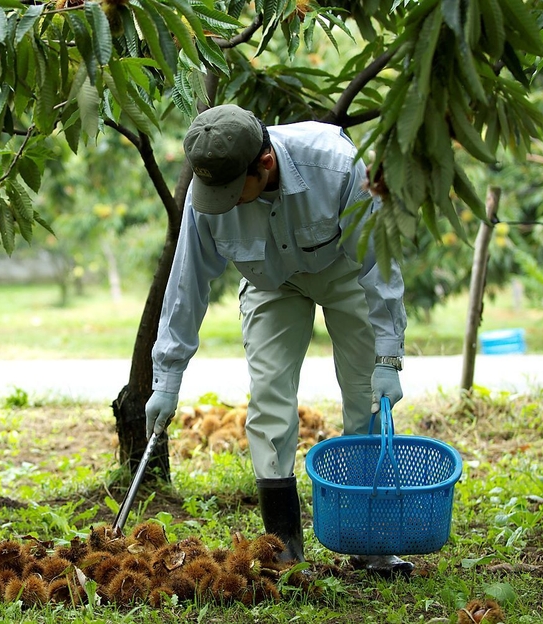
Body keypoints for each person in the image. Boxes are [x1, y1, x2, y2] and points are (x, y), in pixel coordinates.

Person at [145, 104, 412, 576]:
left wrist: (387, 357)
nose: (222, 203)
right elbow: (186, 284)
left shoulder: (334, 165)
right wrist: (166, 379)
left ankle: (370, 543)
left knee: (365, 397)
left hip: (346, 272)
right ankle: (282, 552)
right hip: (270, 282)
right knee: (269, 400)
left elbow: (379, 263)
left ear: (264, 163)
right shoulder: (207, 192)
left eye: (232, 192)